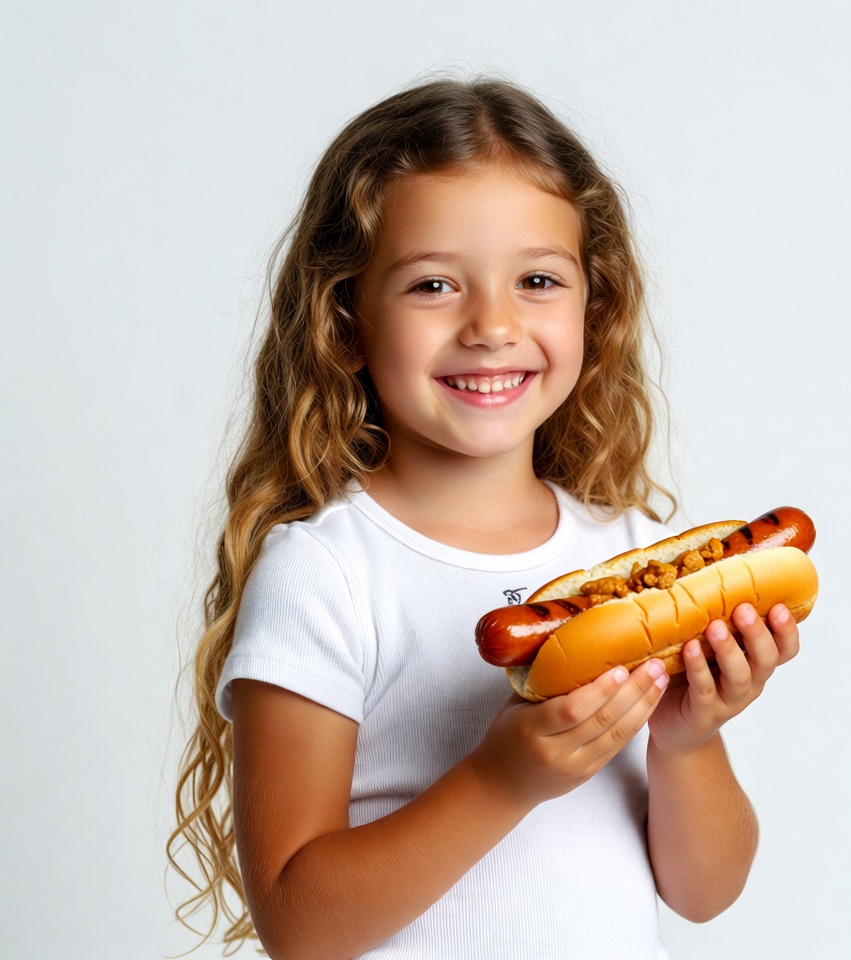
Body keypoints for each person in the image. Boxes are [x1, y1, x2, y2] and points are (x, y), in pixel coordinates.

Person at [168, 77, 801, 960]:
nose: (493, 325)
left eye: (537, 279)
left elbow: (705, 893)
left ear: (595, 308)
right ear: (345, 321)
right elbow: (300, 926)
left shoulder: (633, 555)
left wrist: (689, 740)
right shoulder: (327, 571)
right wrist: (503, 779)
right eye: (433, 285)